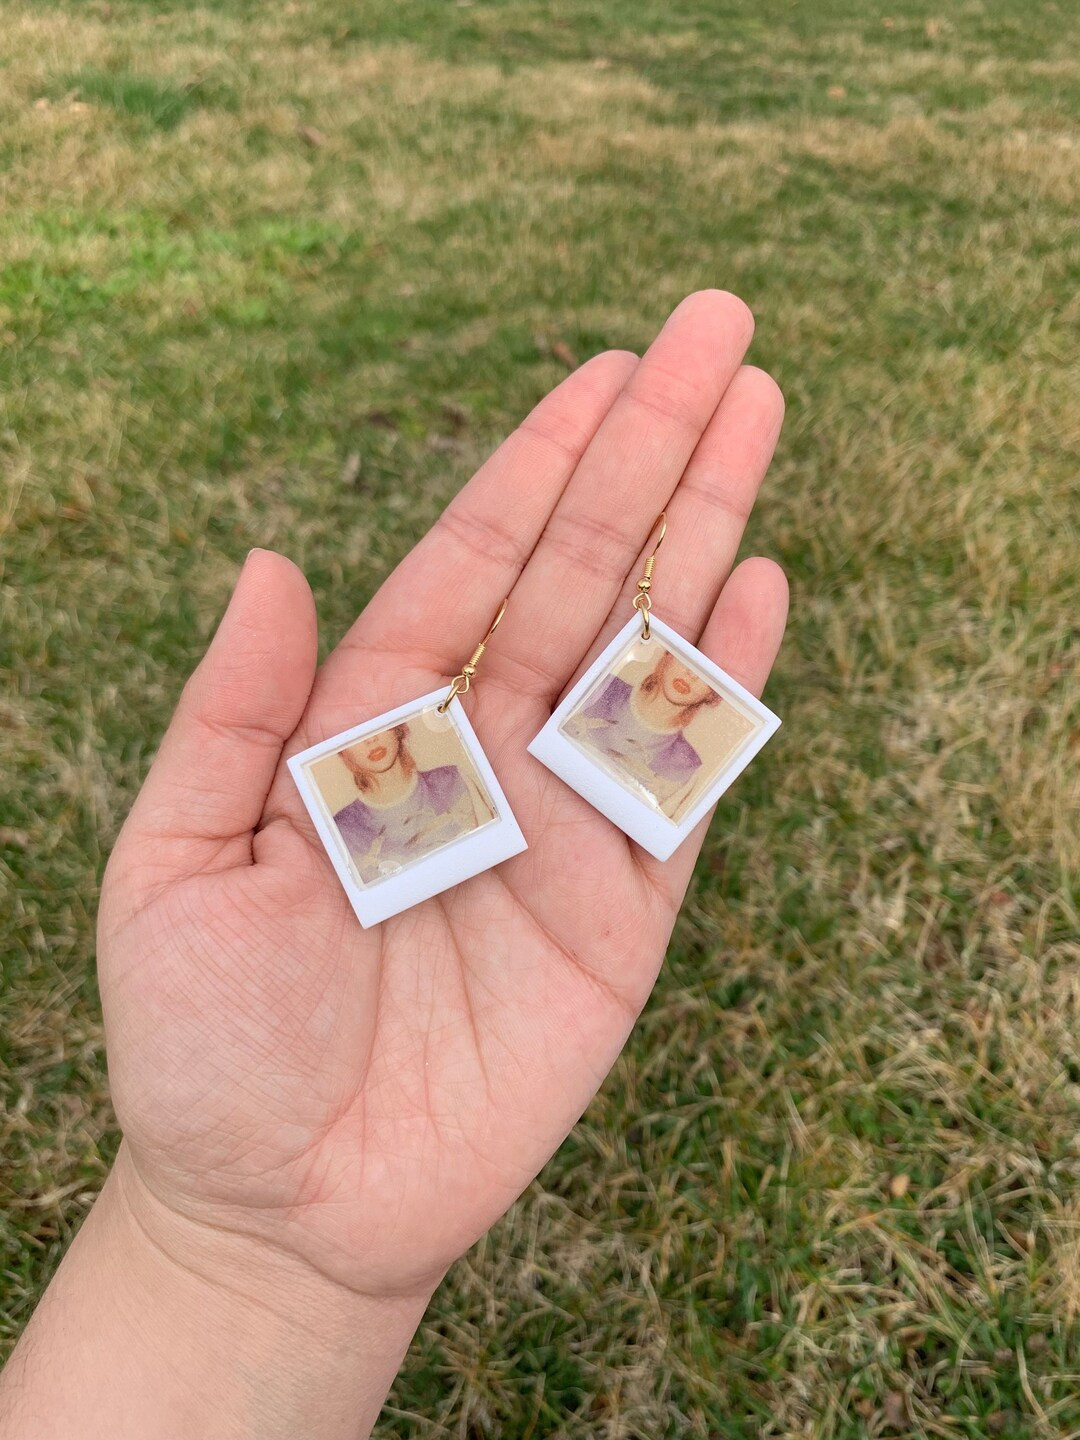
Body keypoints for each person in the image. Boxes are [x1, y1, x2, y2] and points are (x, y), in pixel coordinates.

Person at [0, 291, 788, 1439]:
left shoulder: (621, 752)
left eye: (674, 691)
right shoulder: (405, 803)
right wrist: (232, 1241)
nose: (670, 690)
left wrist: (231, 1258)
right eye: (663, 682)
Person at [563, 647, 725, 816]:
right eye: (687, 657)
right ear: (668, 656)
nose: (692, 674)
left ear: (712, 696)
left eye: (709, 675)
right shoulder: (602, 688)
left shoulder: (684, 766)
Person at [332, 722, 491, 881]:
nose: (371, 739)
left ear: (397, 729)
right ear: (342, 752)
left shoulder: (453, 781)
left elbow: (490, 851)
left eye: (377, 724)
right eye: (353, 735)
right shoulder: (343, 830)